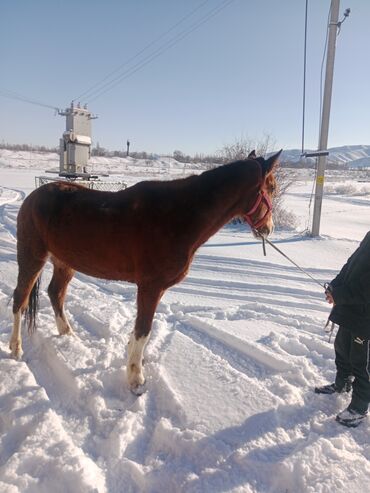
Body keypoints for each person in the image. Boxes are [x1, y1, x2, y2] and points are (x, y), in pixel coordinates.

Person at [315, 231, 370, 428]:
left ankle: (359, 407)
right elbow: (351, 264)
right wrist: (335, 286)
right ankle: (342, 383)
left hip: (366, 318)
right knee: (342, 348)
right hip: (352, 311)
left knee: (361, 362)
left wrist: (341, 295)